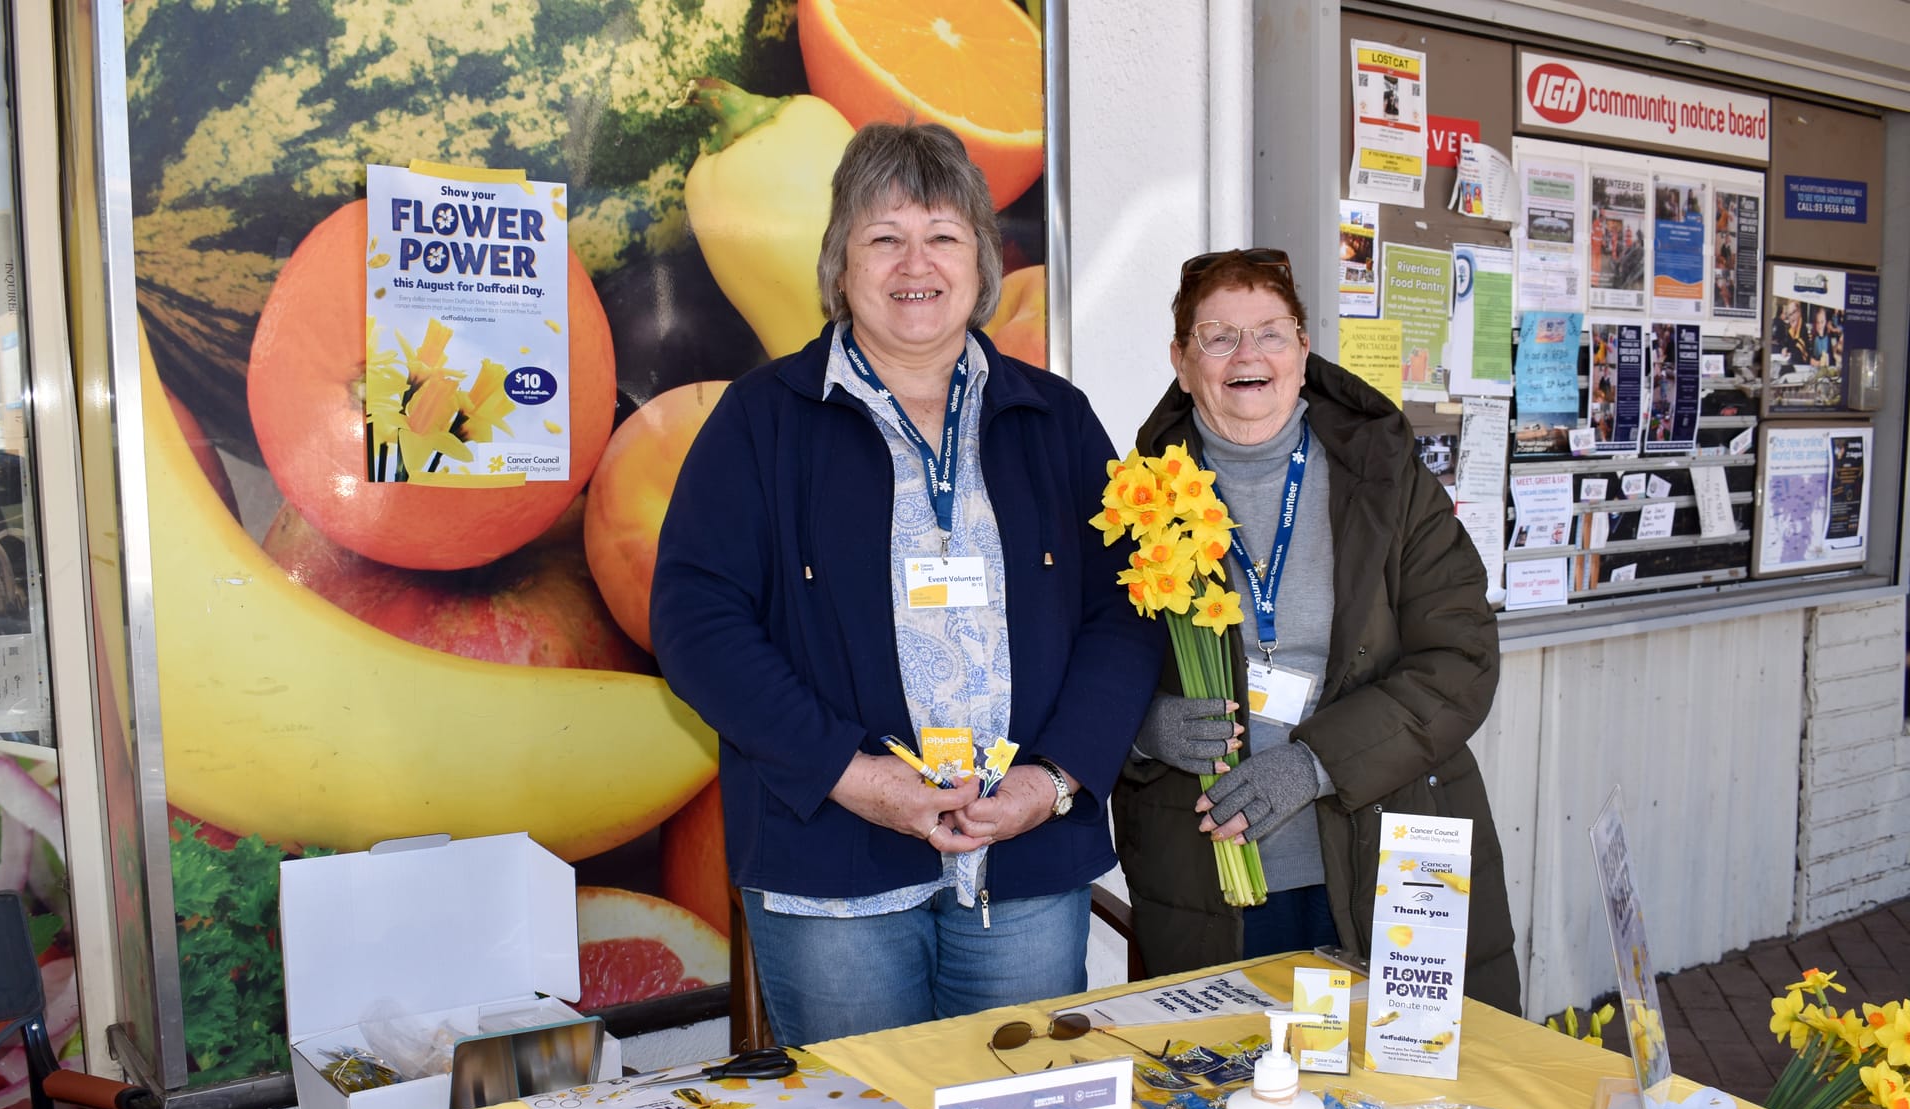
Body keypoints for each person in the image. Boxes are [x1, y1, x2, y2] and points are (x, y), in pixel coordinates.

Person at [650, 123, 1162, 1045]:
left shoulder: (1058, 421)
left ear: (980, 262)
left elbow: (1122, 612)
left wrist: (1052, 782)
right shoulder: (763, 421)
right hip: (834, 871)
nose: (914, 263)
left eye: (943, 236)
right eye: (883, 237)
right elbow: (697, 623)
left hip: (1025, 868)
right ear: (840, 265)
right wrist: (850, 775)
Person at [1112, 249, 1520, 1012]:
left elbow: (1461, 657)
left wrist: (1314, 765)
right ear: (1181, 358)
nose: (1248, 356)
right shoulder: (1138, 498)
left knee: (1396, 1103)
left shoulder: (1386, 478)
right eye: (1218, 336)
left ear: (1303, 348)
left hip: (1380, 850)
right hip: (1206, 874)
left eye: (1270, 332)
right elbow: (1082, 659)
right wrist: (1138, 726)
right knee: (1227, 1094)